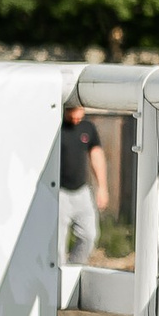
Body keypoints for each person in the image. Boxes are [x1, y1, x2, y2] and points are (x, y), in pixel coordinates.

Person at [59, 100, 108, 263]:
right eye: (71, 112)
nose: (75, 117)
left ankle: (73, 271)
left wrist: (102, 187)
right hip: (59, 192)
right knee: (57, 243)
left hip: (82, 191)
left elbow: (96, 156)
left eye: (78, 111)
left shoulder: (88, 128)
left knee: (89, 235)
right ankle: (58, 276)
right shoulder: (57, 128)